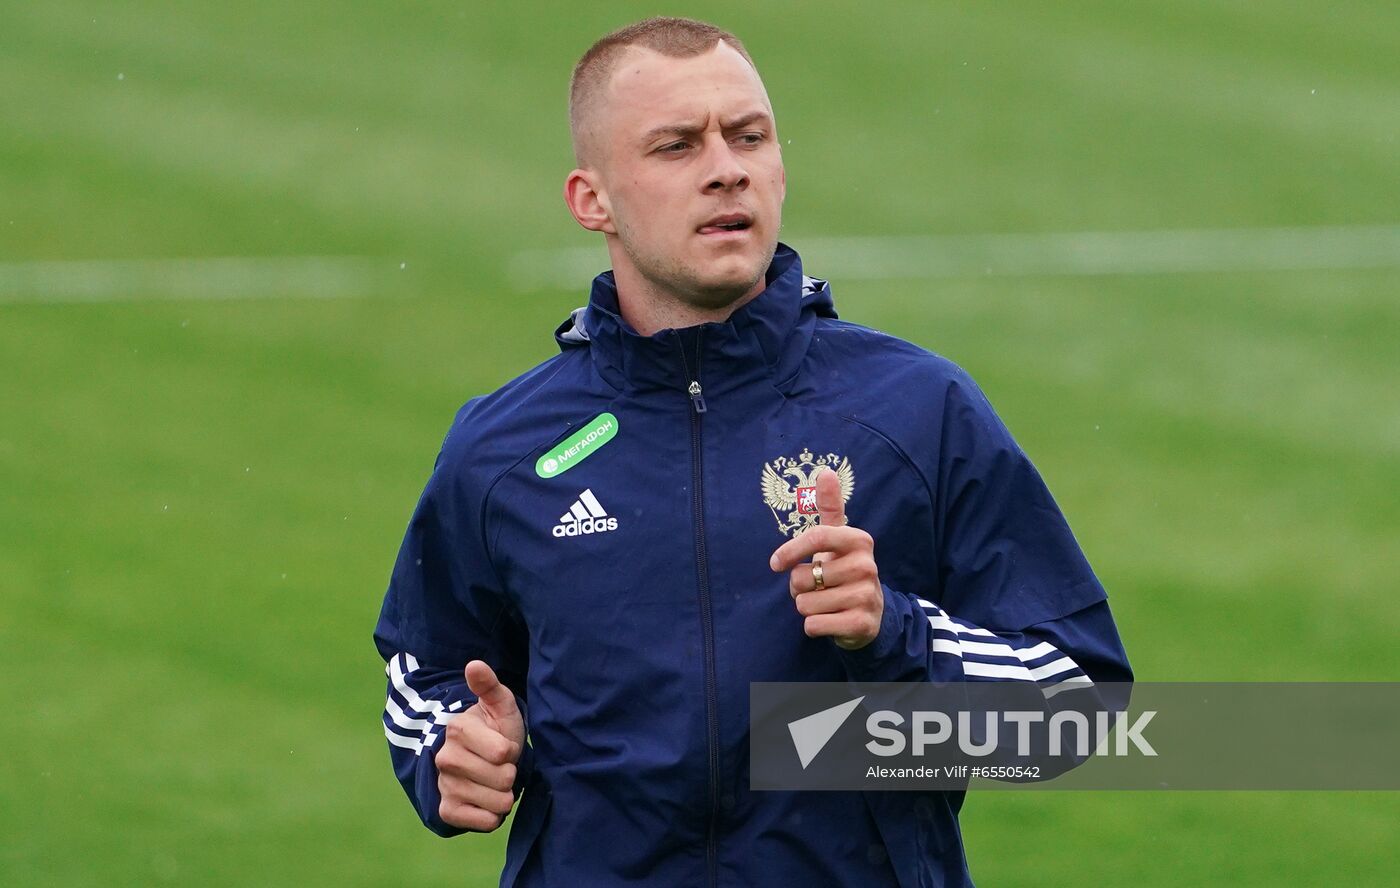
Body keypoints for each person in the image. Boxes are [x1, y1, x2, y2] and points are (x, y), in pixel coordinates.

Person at [375, 16, 1131, 887]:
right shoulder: (503, 449)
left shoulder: (916, 412)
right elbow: (425, 671)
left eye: (749, 136)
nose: (726, 167)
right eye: (675, 146)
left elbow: (1078, 711)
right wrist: (450, 752)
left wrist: (897, 630)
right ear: (593, 200)